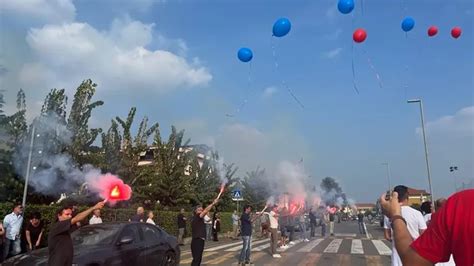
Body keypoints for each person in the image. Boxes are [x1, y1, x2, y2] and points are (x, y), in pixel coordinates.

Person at [380, 189, 474, 266]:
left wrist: (396, 216)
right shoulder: (417, 214)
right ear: (407, 198)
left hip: (408, 254)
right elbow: (423, 232)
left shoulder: (460, 204)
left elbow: (413, 263)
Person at [48, 201, 105, 266]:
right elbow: (77, 218)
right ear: (59, 216)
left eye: (70, 214)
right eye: (67, 214)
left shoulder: (64, 228)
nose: (70, 216)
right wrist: (94, 208)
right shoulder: (58, 226)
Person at [383, 185, 427, 266]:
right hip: (414, 254)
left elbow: (387, 236)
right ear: (407, 197)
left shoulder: (389, 214)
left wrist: (395, 239)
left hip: (397, 256)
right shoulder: (417, 213)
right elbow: (424, 234)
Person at [191, 197, 219, 266]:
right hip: (197, 241)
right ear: (196, 211)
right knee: (197, 259)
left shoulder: (198, 218)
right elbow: (206, 210)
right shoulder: (197, 216)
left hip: (198, 241)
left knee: (197, 259)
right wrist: (213, 203)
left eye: (201, 209)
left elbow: (206, 214)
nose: (201, 210)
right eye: (199, 209)